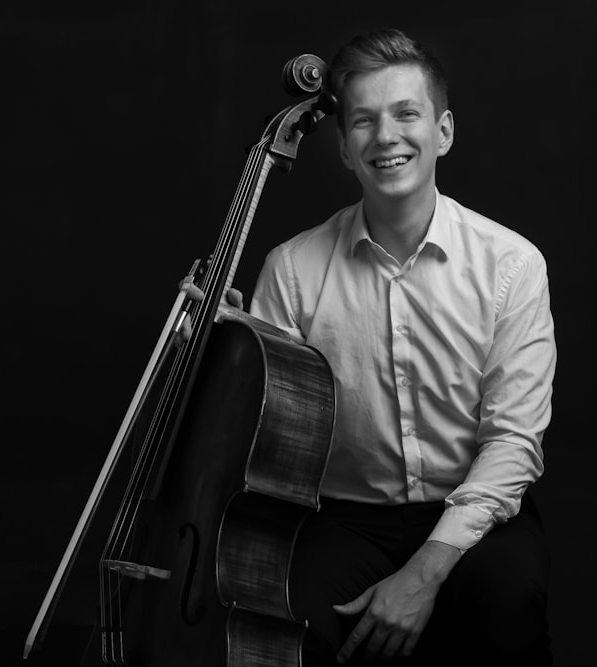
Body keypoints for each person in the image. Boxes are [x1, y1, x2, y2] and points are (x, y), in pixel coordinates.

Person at [184, 27, 555, 666]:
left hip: (471, 514)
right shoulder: (293, 269)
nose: (386, 136)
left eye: (406, 114)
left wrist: (423, 574)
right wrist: (225, 348)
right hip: (341, 520)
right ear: (345, 148)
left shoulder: (512, 265)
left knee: (509, 604)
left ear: (442, 132)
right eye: (364, 121)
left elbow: (512, 444)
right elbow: (262, 430)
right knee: (281, 627)